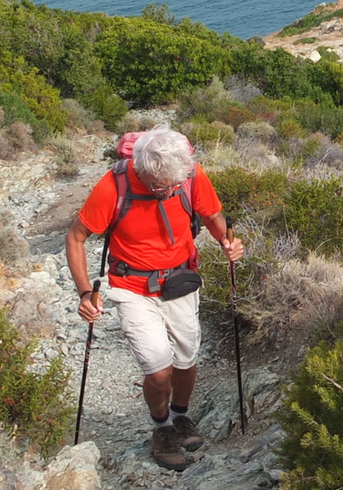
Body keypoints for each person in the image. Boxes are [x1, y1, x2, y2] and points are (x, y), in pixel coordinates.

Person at [66, 127, 243, 471]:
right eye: (161, 186)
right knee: (159, 368)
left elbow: (211, 214)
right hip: (130, 286)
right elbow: (76, 237)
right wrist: (85, 292)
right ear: (141, 169)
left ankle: (180, 416)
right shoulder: (113, 185)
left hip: (180, 279)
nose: (169, 191)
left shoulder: (190, 176)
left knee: (186, 357)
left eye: (175, 185)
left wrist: (227, 241)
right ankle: (161, 427)